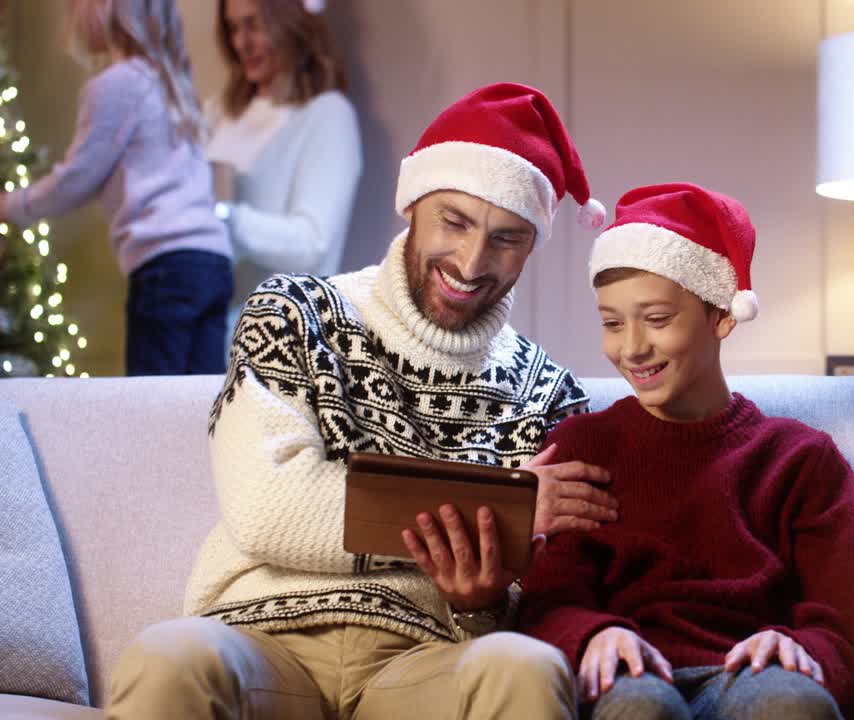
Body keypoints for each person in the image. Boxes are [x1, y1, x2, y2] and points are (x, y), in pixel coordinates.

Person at [105, 83, 615, 720]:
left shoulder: (554, 398)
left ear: (531, 247)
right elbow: (270, 508)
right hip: (258, 641)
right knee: (166, 659)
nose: (471, 259)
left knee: (526, 668)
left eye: (506, 238)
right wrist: (496, 500)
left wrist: (478, 602)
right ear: (413, 205)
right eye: (454, 221)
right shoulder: (293, 313)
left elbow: (549, 593)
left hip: (425, 659)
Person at [517, 183, 854, 720]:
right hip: (628, 677)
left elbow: (837, 631)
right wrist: (593, 633)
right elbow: (547, 603)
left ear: (722, 317)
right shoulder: (578, 447)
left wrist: (805, 648)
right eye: (612, 323)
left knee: (788, 703)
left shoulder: (802, 460)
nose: (631, 347)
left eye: (656, 319)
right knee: (637, 708)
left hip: (752, 677)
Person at [0, 0, 233, 376]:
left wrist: (12, 205)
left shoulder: (114, 86)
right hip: (213, 261)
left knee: (148, 402)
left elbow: (76, 178)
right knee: (201, 400)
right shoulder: (173, 84)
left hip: (165, 268)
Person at [206, 0, 362, 350]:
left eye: (254, 26)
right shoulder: (219, 113)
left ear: (291, 24)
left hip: (278, 344)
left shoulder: (327, 116)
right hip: (203, 332)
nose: (241, 42)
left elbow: (312, 243)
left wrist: (225, 219)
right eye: (232, 28)